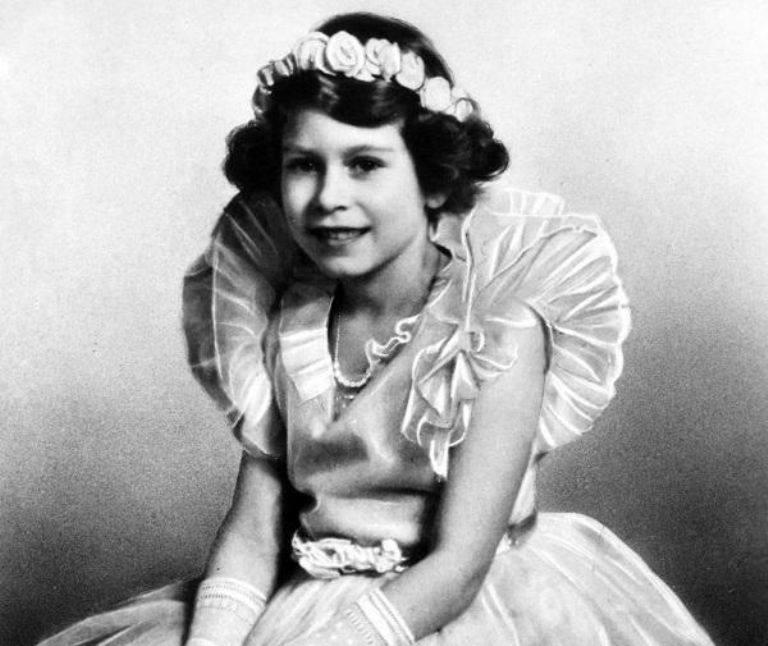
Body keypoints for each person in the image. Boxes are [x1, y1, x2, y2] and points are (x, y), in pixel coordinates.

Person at [40, 12, 714, 646]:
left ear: (433, 182)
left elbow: (458, 567)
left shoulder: (497, 328)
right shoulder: (287, 322)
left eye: (364, 164)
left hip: (440, 608)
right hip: (311, 595)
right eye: (305, 164)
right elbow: (251, 536)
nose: (329, 196)